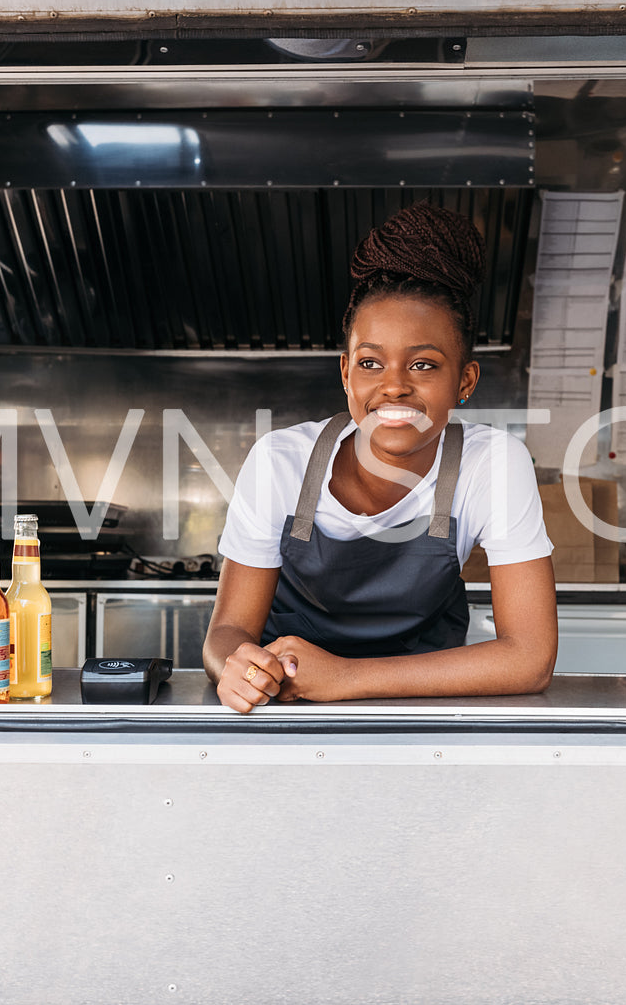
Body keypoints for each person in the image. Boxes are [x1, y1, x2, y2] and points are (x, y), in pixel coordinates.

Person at [204, 202, 558, 713]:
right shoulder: (281, 461)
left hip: (426, 722)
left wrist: (344, 678)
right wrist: (237, 668)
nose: (393, 385)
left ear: (465, 381)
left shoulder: (492, 464)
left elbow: (530, 659)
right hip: (285, 716)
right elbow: (228, 631)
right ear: (346, 373)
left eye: (423, 364)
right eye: (371, 362)